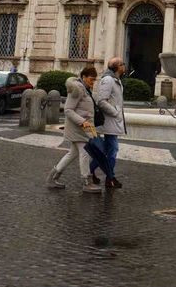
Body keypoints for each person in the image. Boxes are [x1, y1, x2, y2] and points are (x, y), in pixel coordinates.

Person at [46, 67, 105, 192]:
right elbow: (68, 110)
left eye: (94, 80)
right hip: (78, 128)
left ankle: (53, 177)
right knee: (85, 152)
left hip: (83, 128)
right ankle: (86, 181)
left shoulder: (86, 89)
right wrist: (83, 122)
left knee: (72, 153)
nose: (93, 82)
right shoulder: (77, 89)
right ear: (83, 77)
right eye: (91, 79)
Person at [89, 57, 127, 189]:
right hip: (110, 121)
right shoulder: (108, 80)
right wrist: (115, 113)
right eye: (122, 64)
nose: (124, 65)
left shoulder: (116, 80)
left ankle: (91, 171)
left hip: (113, 121)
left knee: (105, 150)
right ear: (117, 67)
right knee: (113, 149)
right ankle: (110, 178)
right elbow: (101, 101)